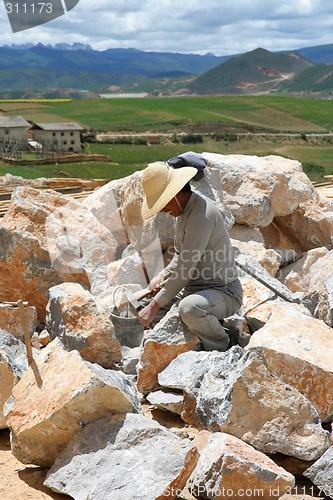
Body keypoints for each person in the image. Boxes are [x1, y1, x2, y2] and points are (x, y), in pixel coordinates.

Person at [138, 160, 243, 351]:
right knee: (138, 304)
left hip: (223, 292)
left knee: (189, 308)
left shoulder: (200, 217)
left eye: (163, 203)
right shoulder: (184, 212)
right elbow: (181, 256)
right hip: (194, 289)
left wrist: (153, 307)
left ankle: (223, 346)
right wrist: (161, 277)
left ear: (176, 193)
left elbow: (184, 270)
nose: (162, 209)